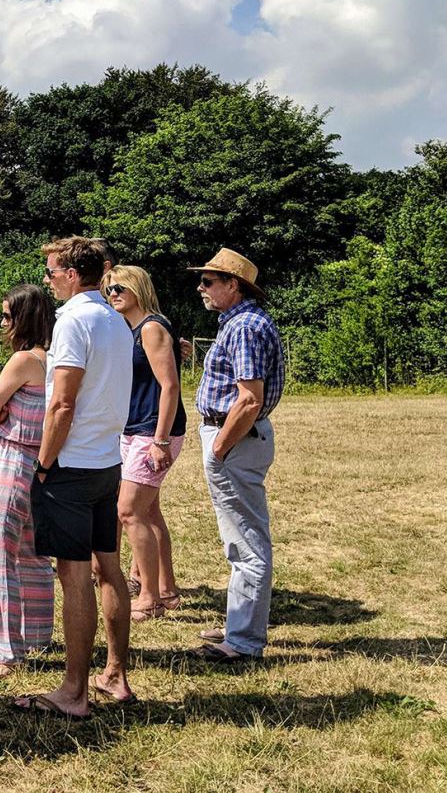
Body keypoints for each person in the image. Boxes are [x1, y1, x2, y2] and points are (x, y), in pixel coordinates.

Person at [12, 236, 136, 718]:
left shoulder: (73, 321)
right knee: (110, 567)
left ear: (69, 274)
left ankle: (74, 691)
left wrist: (44, 463)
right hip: (108, 460)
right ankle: (116, 674)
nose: (47, 280)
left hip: (72, 464)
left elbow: (62, 403)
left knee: (74, 577)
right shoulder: (116, 320)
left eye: (50, 272)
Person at [189, 248, 285, 664]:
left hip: (236, 440)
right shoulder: (243, 323)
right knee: (239, 538)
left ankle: (243, 642)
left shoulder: (244, 326)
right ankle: (239, 626)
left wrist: (221, 445)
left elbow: (249, 399)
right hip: (239, 439)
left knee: (245, 543)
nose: (201, 288)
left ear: (234, 286)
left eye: (209, 281)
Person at [0, 284, 56, 680]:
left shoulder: (23, 360)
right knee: (32, 549)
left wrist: (3, 414)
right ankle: (37, 634)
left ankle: (4, 651)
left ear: (23, 318)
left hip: (14, 459)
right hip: (44, 462)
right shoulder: (56, 358)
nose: (3, 323)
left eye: (7, 316)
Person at [103, 265, 187, 622]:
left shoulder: (151, 328)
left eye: (120, 287)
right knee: (148, 511)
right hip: (137, 429)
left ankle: (148, 596)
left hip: (152, 431)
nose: (113, 294)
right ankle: (166, 591)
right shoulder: (134, 328)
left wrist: (161, 440)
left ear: (139, 287)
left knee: (128, 512)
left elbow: (170, 386)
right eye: (108, 289)